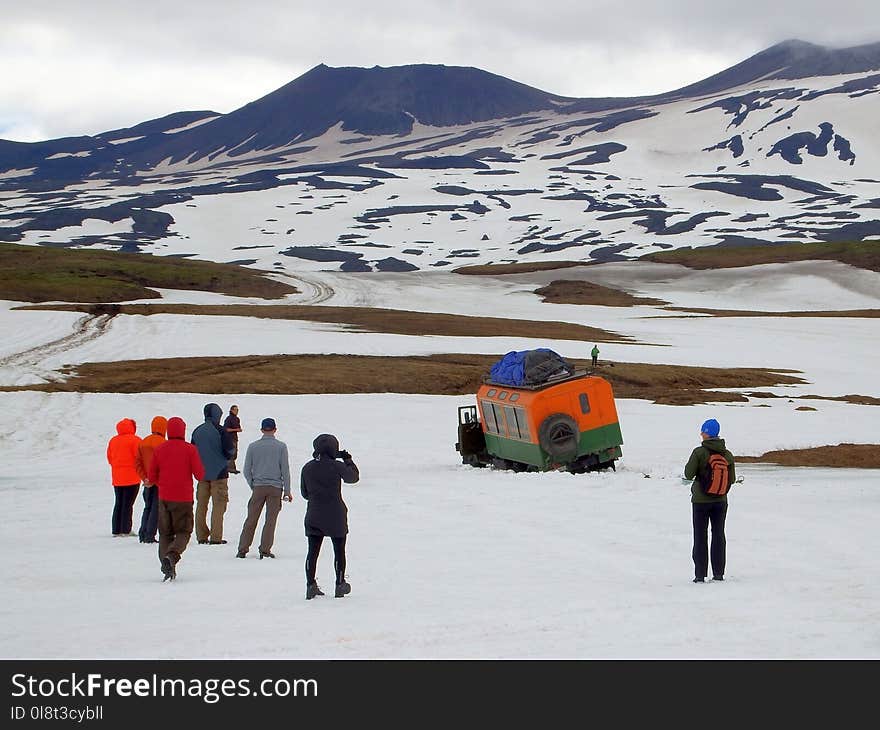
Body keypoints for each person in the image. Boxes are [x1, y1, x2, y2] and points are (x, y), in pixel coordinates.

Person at [300, 434, 360, 599]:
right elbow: (353, 478)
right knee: (339, 551)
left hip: (314, 513)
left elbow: (304, 493)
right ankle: (340, 584)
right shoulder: (336, 466)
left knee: (312, 552)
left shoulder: (307, 467)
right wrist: (348, 459)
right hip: (336, 514)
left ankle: (310, 585)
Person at [148, 417, 205, 581]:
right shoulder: (190, 450)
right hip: (183, 499)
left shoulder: (160, 449)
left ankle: (166, 566)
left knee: (165, 533)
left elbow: (152, 476)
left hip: (164, 497)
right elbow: (199, 475)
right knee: (183, 532)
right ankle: (172, 557)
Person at [684, 418, 736, 583]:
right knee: (719, 534)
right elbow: (732, 479)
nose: (701, 434)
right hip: (721, 501)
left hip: (700, 501)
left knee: (700, 535)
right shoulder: (727, 454)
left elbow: (688, 474)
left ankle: (700, 575)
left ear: (707, 433)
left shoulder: (699, 452)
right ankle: (719, 573)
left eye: (703, 431)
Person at [236, 417, 291, 560]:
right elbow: (285, 470)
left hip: (258, 487)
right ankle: (265, 549)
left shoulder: (253, 446)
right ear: (274, 430)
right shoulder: (281, 447)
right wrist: (287, 490)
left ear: (261, 430)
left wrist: (253, 484)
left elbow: (247, 469)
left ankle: (242, 549)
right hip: (275, 488)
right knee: (270, 520)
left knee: (251, 519)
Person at [191, 402, 235, 545]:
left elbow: (192, 451)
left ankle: (201, 535)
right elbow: (229, 451)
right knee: (219, 505)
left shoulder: (197, 431)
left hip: (202, 474)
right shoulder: (221, 431)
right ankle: (216, 537)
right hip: (219, 473)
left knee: (201, 504)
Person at [106, 418, 142, 537]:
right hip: (132, 477)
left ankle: (116, 529)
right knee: (128, 504)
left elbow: (110, 458)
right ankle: (126, 529)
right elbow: (139, 457)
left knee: (119, 503)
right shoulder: (136, 440)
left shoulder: (113, 441)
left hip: (117, 477)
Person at [134, 415, 167, 543]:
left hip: (147, 481)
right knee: (156, 508)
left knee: (147, 506)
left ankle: (142, 532)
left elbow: (137, 463)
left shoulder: (143, 442)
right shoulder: (163, 443)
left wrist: (144, 478)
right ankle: (150, 535)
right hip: (159, 482)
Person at [223, 405, 242, 474]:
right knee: (231, 452)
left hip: (234, 438)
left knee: (234, 453)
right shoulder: (229, 419)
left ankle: (231, 467)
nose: (237, 411)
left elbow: (238, 428)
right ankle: (230, 468)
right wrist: (235, 429)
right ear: (231, 410)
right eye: (235, 410)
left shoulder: (236, 419)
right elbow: (225, 429)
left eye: (237, 410)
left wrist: (238, 429)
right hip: (229, 438)